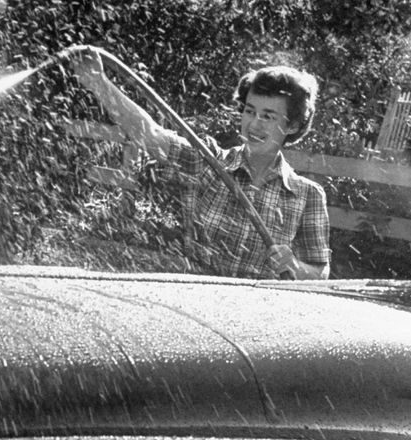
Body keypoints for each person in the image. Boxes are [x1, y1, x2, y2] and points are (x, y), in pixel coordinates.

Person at [70, 52, 330, 280]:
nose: (253, 125)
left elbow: (320, 271)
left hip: (260, 311)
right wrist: (98, 82)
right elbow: (150, 135)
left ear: (292, 125)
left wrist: (296, 266)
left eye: (268, 117)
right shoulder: (208, 162)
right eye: (250, 111)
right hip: (197, 299)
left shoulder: (307, 195)